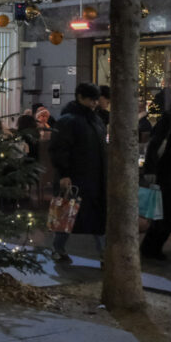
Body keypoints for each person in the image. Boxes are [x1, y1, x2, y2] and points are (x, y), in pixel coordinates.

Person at [49, 82, 107, 263]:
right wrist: (64, 173)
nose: (94, 103)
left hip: (93, 176)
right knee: (69, 212)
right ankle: (59, 248)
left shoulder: (92, 120)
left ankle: (103, 254)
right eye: (91, 99)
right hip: (78, 176)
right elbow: (59, 149)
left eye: (95, 100)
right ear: (80, 97)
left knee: (76, 213)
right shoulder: (72, 120)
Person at [141, 108, 171, 260]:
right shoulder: (168, 119)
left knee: (165, 213)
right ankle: (150, 248)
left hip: (165, 172)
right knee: (165, 213)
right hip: (167, 173)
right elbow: (154, 145)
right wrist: (150, 169)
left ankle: (150, 248)